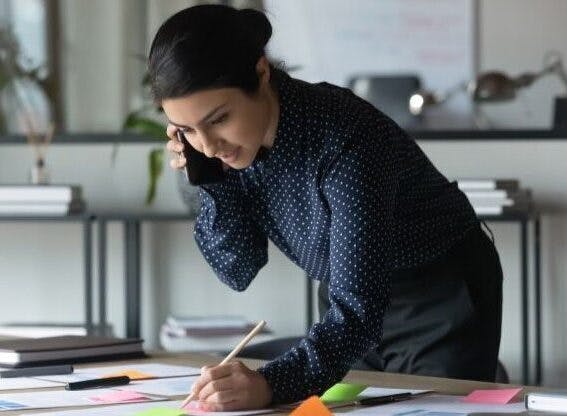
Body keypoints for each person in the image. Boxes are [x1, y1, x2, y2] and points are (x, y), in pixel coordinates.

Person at [148, 4, 503, 412]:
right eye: (188, 130)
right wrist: (208, 179)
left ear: (261, 73)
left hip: (437, 295)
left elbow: (359, 313)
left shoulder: (346, 136)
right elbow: (237, 268)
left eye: (219, 119)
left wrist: (267, 384)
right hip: (348, 303)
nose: (209, 145)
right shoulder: (218, 154)